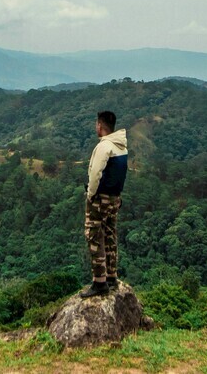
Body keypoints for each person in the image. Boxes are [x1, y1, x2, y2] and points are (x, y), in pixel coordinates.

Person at [80, 110, 128, 298]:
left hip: (101, 199)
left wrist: (90, 194)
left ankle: (99, 282)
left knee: (94, 236)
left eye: (96, 124)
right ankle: (111, 277)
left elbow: (95, 174)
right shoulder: (121, 147)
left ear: (100, 126)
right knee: (110, 235)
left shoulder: (104, 147)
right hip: (115, 198)